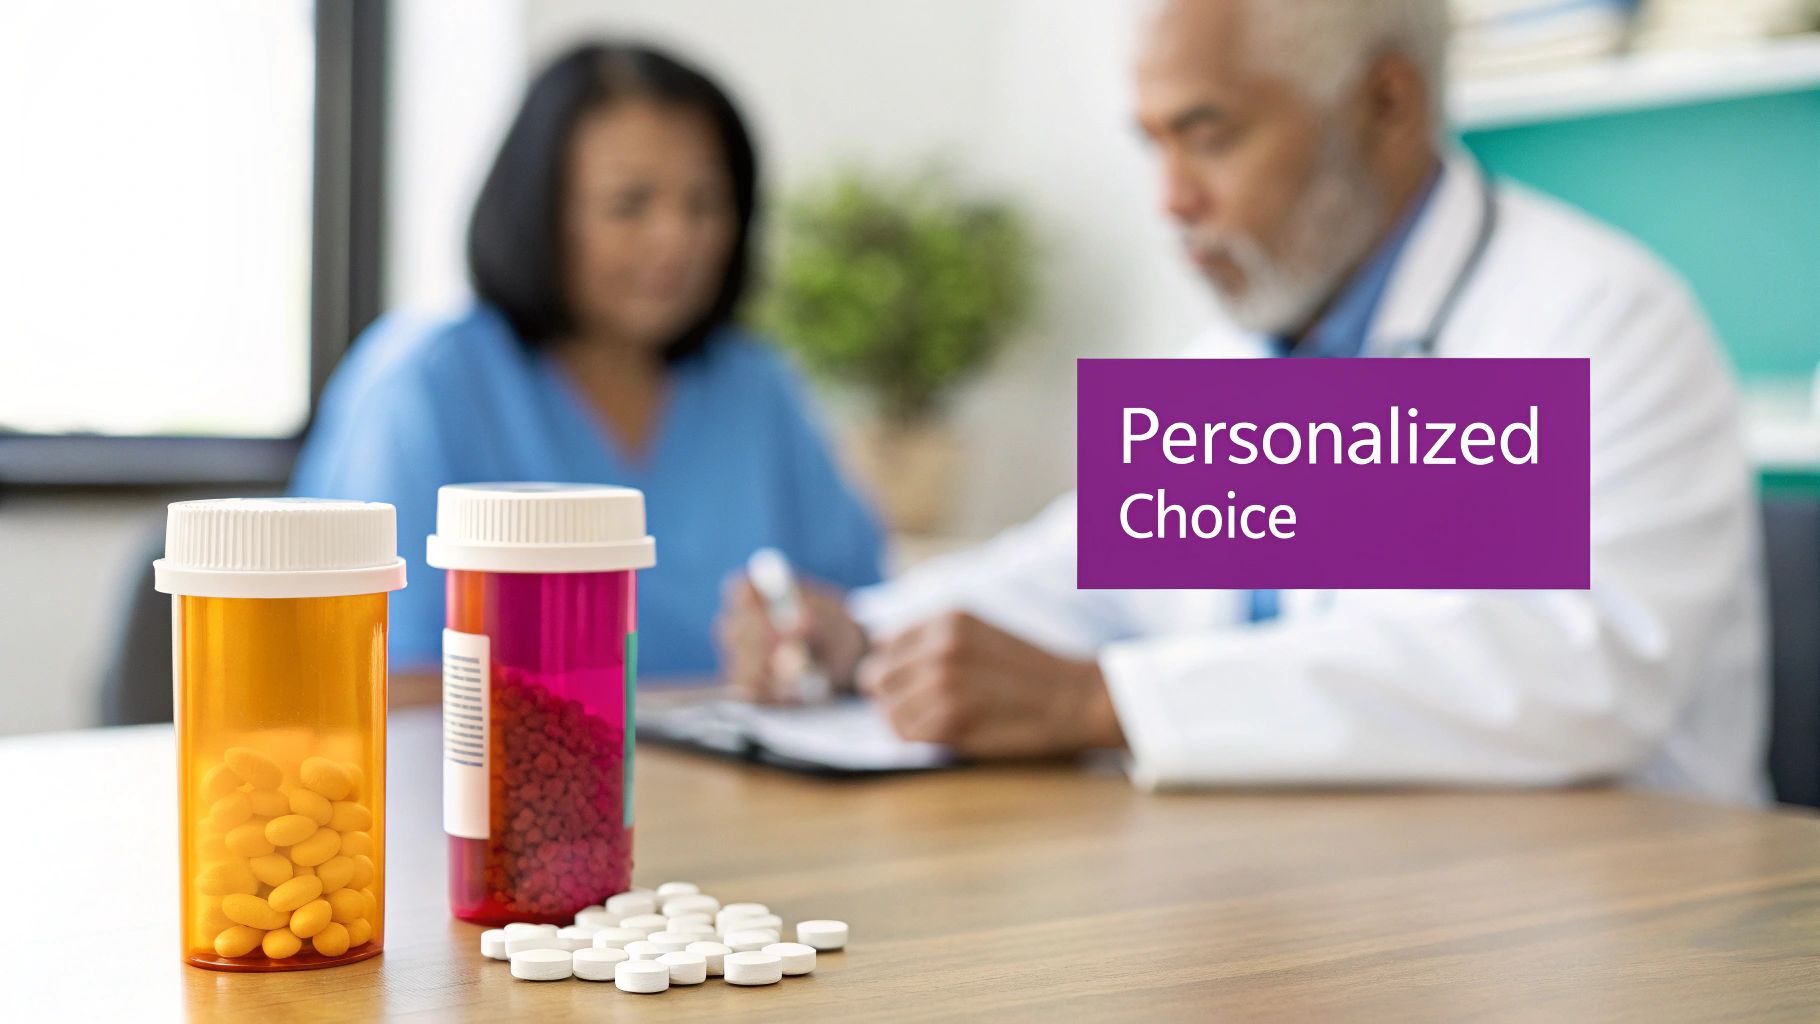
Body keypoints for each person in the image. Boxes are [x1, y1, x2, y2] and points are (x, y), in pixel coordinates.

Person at [717, 0, 1768, 802]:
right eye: (1153, 144)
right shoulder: (1242, 354)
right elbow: (1082, 570)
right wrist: (865, 633)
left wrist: (1105, 700)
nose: (1170, 200)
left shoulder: (1595, 323)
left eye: (1209, 136)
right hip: (1297, 910)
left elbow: (1564, 675)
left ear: (1385, 106)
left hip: (1598, 930)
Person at [293, 43, 884, 679]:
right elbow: (364, 675)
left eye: (705, 202)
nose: (677, 238)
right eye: (629, 204)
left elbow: (865, 607)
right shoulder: (425, 382)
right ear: (541, 213)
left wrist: (829, 641)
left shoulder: (756, 387)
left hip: (735, 777)